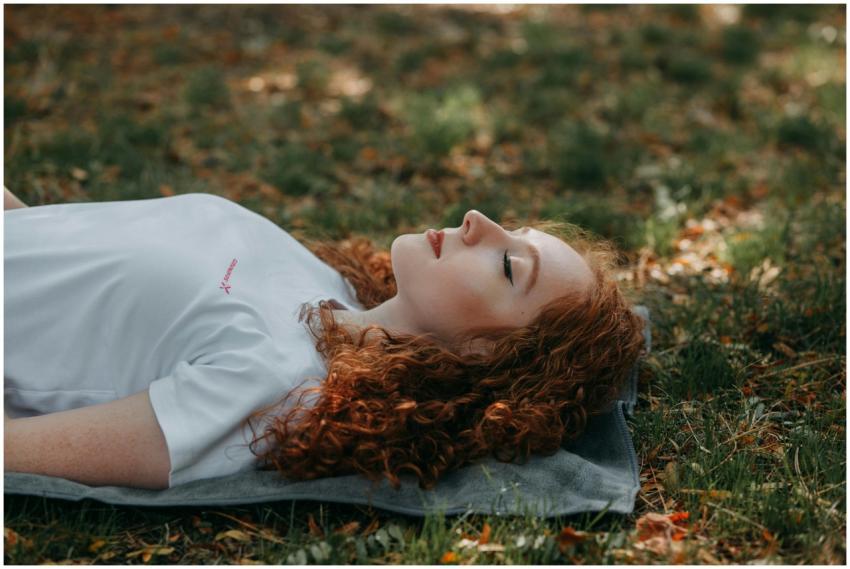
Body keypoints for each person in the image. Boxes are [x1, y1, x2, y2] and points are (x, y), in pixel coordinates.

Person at [4, 188, 645, 490]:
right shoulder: (325, 282)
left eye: (509, 266)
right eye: (516, 230)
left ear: (487, 354)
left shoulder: (279, 386)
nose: (480, 221)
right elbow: (67, 262)